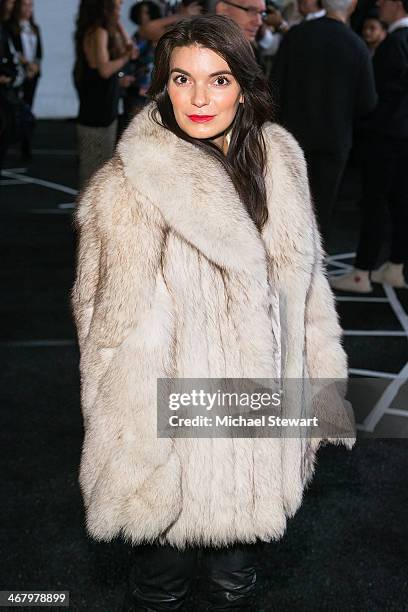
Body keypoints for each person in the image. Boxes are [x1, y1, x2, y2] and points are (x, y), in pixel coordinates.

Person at [71, 14, 356, 611]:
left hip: (263, 416)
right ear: (162, 84)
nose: (199, 97)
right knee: (161, 588)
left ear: (245, 85)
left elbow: (309, 290)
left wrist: (322, 395)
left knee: (236, 586)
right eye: (182, 78)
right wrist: (129, 452)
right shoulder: (127, 187)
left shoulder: (280, 161)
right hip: (176, 431)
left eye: (218, 79)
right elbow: (109, 331)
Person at [271, 0, 377, 249]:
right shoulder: (356, 45)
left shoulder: (297, 35)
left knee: (286, 209)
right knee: (322, 212)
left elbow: (274, 86)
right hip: (334, 143)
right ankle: (313, 275)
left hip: (290, 138)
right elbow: (368, 103)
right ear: (351, 6)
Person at [330, 0, 408, 292]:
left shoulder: (394, 44)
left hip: (385, 138)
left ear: (398, 5)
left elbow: (375, 99)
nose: (378, 4)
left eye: (385, 0)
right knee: (400, 204)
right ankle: (396, 266)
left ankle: (362, 272)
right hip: (403, 137)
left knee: (374, 204)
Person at [73, 0, 138, 189]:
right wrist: (125, 58)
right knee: (93, 171)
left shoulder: (102, 30)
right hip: (96, 110)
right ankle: (88, 216)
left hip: (104, 108)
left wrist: (116, 23)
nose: (120, 11)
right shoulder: (98, 32)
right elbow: (104, 69)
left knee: (100, 169)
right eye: (116, 7)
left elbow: (129, 47)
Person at [7, 0, 41, 159]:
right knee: (14, 109)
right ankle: (11, 140)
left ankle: (26, 145)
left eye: (30, 5)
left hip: (32, 75)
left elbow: (39, 52)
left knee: (28, 107)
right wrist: (26, 64)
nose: (28, 8)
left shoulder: (34, 28)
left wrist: (34, 66)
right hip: (17, 73)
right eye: (25, 5)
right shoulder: (10, 27)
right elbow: (12, 51)